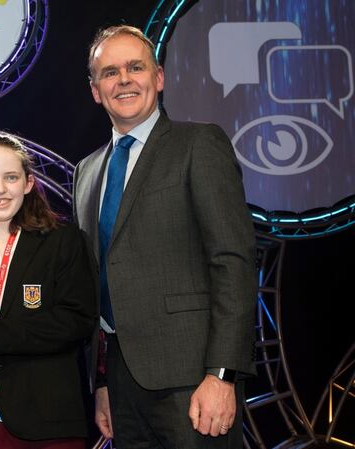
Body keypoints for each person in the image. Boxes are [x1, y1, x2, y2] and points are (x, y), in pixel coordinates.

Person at [72, 24, 258, 448]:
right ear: (95, 90)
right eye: (110, 72)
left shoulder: (199, 145)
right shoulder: (85, 172)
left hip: (194, 381)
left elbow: (233, 262)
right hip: (121, 386)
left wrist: (222, 374)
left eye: (135, 67)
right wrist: (102, 381)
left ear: (158, 77)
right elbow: (97, 282)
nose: (123, 80)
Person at [0, 134, 97, 448]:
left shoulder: (62, 242)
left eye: (10, 177)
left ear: (28, 183)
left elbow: (77, 321)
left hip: (46, 420)